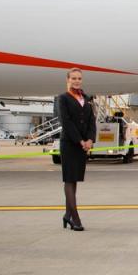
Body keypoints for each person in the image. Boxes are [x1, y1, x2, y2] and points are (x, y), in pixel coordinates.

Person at [55, 68, 96, 231]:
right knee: (69, 180)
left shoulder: (85, 98)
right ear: (68, 80)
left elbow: (91, 121)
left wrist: (90, 139)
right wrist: (80, 140)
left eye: (79, 78)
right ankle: (75, 219)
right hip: (70, 144)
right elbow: (66, 122)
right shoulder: (63, 98)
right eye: (73, 78)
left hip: (83, 145)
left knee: (75, 180)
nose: (77, 80)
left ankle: (67, 215)